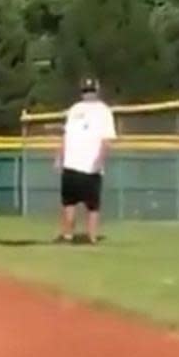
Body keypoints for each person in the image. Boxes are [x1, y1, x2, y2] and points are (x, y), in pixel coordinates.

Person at [55, 78, 116, 245]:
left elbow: (106, 140)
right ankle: (80, 237)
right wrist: (60, 156)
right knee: (83, 204)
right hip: (80, 163)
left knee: (78, 204)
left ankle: (79, 236)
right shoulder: (85, 109)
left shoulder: (95, 110)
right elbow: (67, 136)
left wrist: (60, 157)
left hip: (82, 165)